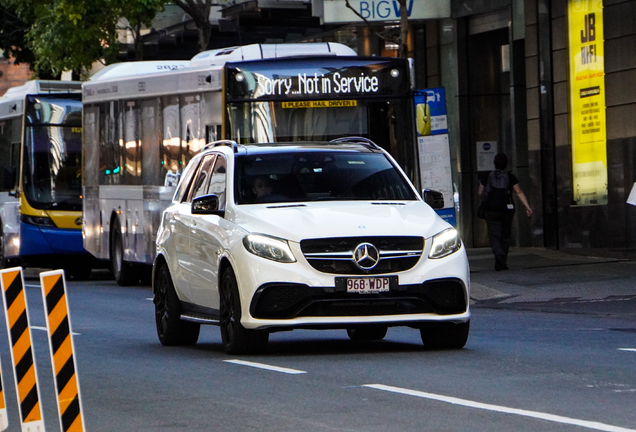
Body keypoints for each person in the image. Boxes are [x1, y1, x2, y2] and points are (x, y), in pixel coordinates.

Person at [478, 153, 532, 271]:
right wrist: (527, 206)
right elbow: (518, 191)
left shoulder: (486, 175)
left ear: (494, 163)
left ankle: (498, 253)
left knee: (494, 234)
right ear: (506, 164)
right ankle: (502, 262)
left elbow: (480, 192)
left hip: (490, 209)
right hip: (506, 210)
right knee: (505, 235)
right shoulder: (510, 177)